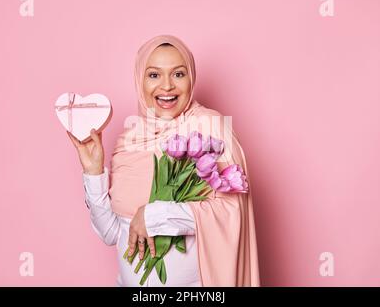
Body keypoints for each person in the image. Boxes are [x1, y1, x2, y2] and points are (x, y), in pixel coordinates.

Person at [67, 35, 260, 287]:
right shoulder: (129, 139)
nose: (167, 86)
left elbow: (231, 212)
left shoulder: (209, 126)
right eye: (154, 75)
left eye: (178, 74)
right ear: (140, 79)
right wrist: (93, 172)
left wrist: (155, 214)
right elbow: (111, 233)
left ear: (191, 78)